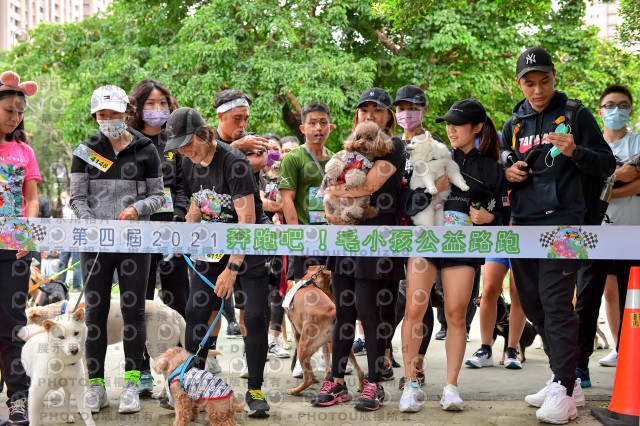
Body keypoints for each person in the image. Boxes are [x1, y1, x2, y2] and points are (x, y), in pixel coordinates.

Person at [500, 46, 615, 424]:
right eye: (529, 83)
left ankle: (565, 390)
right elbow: (503, 160)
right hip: (524, 224)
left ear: (553, 78)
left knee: (556, 303)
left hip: (569, 224)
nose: (537, 90)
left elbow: (606, 165)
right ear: (518, 83)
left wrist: (576, 151)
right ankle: (563, 378)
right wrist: (509, 174)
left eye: (544, 81)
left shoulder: (575, 114)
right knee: (532, 304)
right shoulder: (514, 121)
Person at [400, 99, 509, 413]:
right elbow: (408, 204)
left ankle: (451, 387)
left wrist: (490, 220)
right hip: (424, 241)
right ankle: (410, 383)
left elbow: (503, 211)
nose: (451, 130)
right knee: (414, 309)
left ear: (477, 128)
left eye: (458, 124)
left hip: (462, 247)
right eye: (448, 124)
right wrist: (431, 190)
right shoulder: (427, 155)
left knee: (456, 314)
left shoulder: (491, 167)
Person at [164, 107, 271, 418]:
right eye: (179, 147)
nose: (184, 151)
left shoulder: (234, 163)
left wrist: (232, 268)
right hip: (211, 245)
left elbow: (247, 219)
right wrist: (187, 226)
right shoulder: (189, 161)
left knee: (252, 317)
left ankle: (255, 388)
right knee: (195, 311)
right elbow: (199, 200)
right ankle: (193, 383)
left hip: (248, 245)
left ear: (205, 133)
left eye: (188, 143)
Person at [70, 85, 165, 415]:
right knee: (94, 312)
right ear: (95, 117)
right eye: (102, 115)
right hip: (95, 243)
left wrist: (138, 209)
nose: (108, 120)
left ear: (127, 113)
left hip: (136, 243)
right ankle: (96, 386)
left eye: (114, 114)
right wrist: (92, 223)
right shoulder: (85, 149)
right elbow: (77, 198)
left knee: (133, 311)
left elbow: (159, 196)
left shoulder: (146, 148)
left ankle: (131, 383)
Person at [312, 88, 405, 412]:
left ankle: (375, 383)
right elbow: (330, 186)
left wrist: (333, 191)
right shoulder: (347, 152)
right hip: (345, 237)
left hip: (376, 238)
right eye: (363, 110)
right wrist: (331, 206)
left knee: (370, 311)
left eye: (377, 110)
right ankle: (336, 380)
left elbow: (368, 187)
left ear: (388, 117)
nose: (369, 115)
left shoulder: (394, 148)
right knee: (344, 312)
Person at [128, 78, 190, 397]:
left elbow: (182, 186)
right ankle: (139, 370)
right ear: (137, 108)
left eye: (162, 103)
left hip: (173, 234)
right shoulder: (128, 142)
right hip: (138, 233)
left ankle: (178, 372)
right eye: (150, 103)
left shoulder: (176, 142)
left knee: (178, 299)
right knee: (139, 302)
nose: (157, 109)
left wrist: (179, 217)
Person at [577, 85, 640, 375]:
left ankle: (630, 362)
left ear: (630, 110)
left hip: (632, 237)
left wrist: (603, 189)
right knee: (586, 302)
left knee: (634, 304)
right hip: (592, 237)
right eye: (611, 105)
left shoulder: (637, 143)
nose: (618, 110)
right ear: (600, 111)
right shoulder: (587, 148)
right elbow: (581, 190)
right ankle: (578, 369)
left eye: (624, 105)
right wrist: (618, 178)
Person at [279, 102, 335, 375]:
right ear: (302, 128)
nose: (318, 128)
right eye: (312, 122)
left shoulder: (336, 160)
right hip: (303, 242)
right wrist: (296, 239)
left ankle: (329, 359)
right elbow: (286, 200)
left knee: (329, 302)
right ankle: (299, 361)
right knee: (300, 303)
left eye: (323, 122)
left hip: (331, 242)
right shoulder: (293, 159)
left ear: (330, 127)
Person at [0, 70, 40, 426]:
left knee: (13, 325)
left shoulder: (24, 151)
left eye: (20, 113)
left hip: (13, 252)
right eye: (10, 111)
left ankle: (18, 398)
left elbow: (31, 199)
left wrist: (26, 239)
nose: (15, 118)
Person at [465, 259, 527, 369]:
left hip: (523, 246)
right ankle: (485, 350)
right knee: (488, 291)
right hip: (499, 243)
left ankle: (512, 351)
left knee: (518, 292)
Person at [57, 189, 81, 293]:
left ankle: (76, 286)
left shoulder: (77, 208)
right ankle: (60, 284)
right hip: (66, 237)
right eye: (61, 198)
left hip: (76, 236)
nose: (63, 199)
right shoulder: (64, 209)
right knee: (62, 261)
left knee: (75, 262)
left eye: (65, 197)